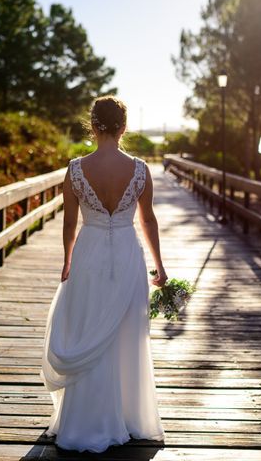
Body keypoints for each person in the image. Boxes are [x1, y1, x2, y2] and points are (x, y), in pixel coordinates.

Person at [39, 95, 167, 453]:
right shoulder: (140, 169)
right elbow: (148, 220)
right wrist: (160, 264)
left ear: (93, 127)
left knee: (88, 325)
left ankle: (86, 420)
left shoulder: (76, 169)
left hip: (89, 254)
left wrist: (67, 260)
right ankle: (129, 417)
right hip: (128, 254)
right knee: (128, 334)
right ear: (123, 128)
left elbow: (68, 223)